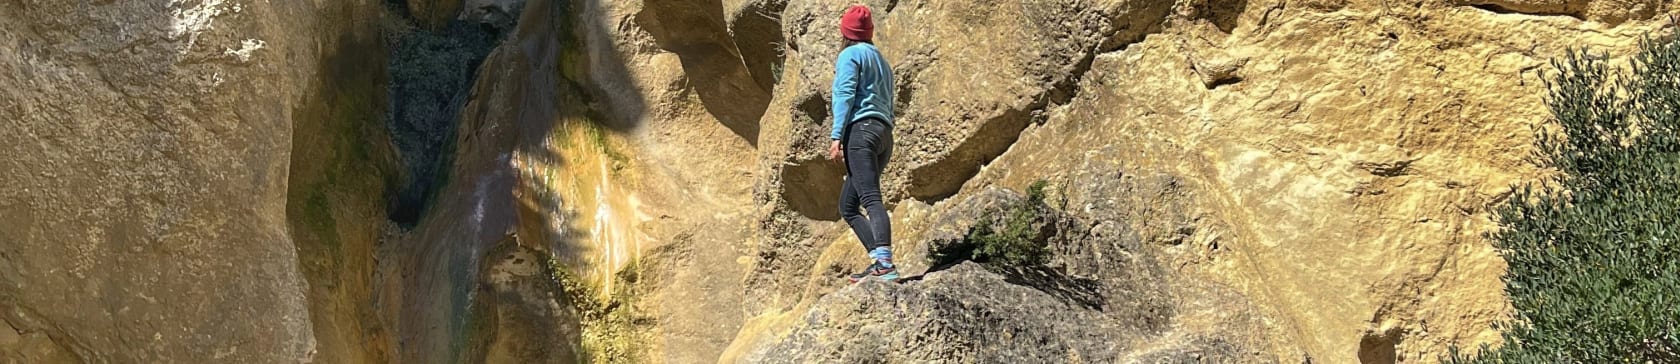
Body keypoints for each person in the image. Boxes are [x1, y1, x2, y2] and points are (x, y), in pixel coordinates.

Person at [828, 4, 898, 283]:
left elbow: (844, 94)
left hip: (861, 131)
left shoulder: (849, 55)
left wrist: (836, 136)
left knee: (870, 198)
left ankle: (885, 264)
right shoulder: (881, 60)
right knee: (848, 205)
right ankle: (877, 260)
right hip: (883, 133)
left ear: (845, 32)